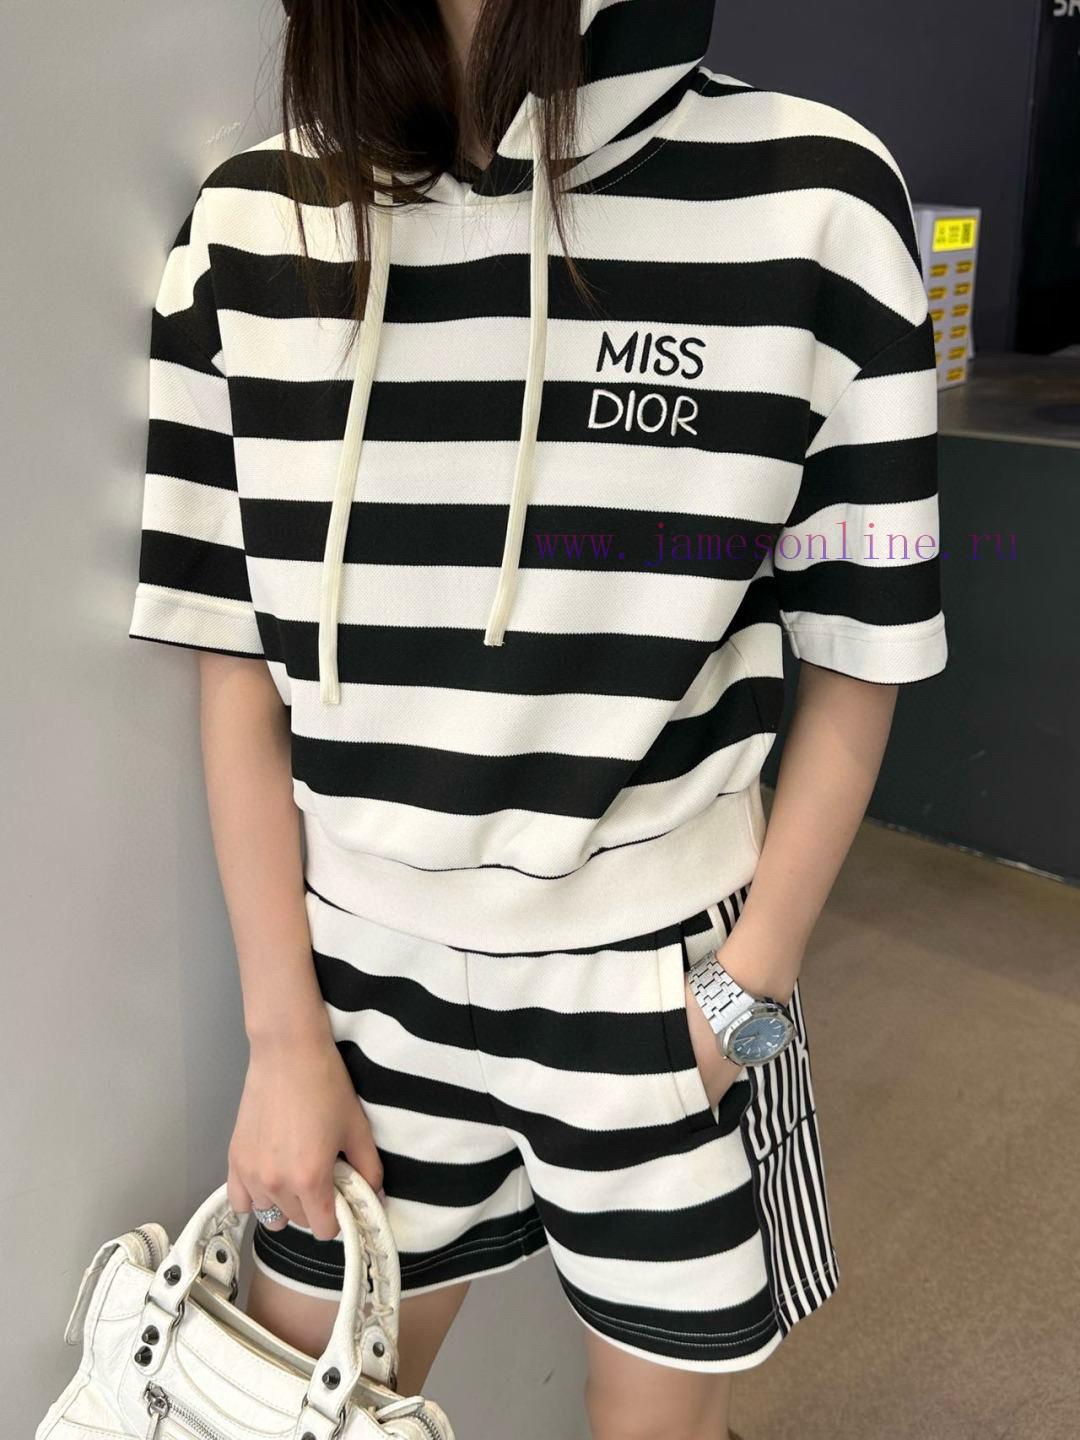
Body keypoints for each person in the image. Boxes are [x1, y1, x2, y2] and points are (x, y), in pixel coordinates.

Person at [127, 1, 946, 1434]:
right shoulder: (245, 231)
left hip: (665, 975)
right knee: (277, 1411)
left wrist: (744, 996)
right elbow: (234, 658)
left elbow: (861, 649)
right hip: (354, 991)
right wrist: (281, 1033)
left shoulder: (815, 203)